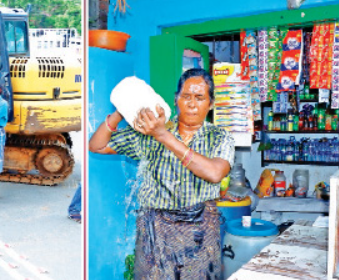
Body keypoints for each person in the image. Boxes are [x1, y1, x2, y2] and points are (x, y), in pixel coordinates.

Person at [88, 68, 235, 279]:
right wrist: (123, 110)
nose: (192, 104)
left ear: (211, 104)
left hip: (199, 234)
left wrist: (163, 135)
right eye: (186, 97)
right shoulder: (150, 132)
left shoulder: (219, 137)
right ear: (176, 100)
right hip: (154, 232)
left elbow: (214, 173)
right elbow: (97, 146)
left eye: (200, 98)